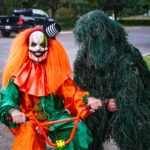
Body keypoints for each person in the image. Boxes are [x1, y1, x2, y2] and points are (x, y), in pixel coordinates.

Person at [0, 21, 105, 150]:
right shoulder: (17, 74)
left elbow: (71, 93)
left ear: (48, 47)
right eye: (34, 44)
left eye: (42, 45)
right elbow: (7, 98)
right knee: (29, 139)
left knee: (77, 129)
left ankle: (60, 147)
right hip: (29, 119)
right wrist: (13, 111)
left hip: (56, 117)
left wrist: (87, 99)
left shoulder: (56, 72)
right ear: (26, 47)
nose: (38, 48)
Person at [73, 10, 150, 150]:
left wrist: (118, 104)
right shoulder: (83, 59)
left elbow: (135, 88)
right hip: (100, 105)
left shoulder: (127, 53)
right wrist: (102, 103)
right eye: (88, 38)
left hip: (131, 106)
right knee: (84, 129)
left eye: (95, 36)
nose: (91, 43)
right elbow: (81, 90)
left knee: (133, 125)